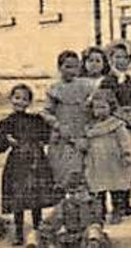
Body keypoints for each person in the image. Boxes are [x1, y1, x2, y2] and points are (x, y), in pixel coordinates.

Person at [0, 82, 57, 246]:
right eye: (16, 98)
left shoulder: (36, 120)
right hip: (17, 164)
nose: (20, 102)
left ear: (29, 102)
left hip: (35, 163)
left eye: (24, 99)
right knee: (18, 200)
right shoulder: (6, 122)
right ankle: (19, 233)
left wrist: (42, 140)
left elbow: (47, 136)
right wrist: (6, 140)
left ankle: (38, 231)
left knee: (36, 200)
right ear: (11, 99)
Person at [42, 50, 97, 187]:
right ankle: (65, 203)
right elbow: (46, 112)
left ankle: (87, 205)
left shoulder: (86, 86)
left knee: (84, 172)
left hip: (82, 133)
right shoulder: (55, 89)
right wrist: (57, 125)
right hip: (63, 135)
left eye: (75, 67)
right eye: (67, 67)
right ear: (59, 68)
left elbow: (94, 108)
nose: (72, 71)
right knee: (63, 172)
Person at [99, 42, 131, 217]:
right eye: (117, 57)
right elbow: (108, 103)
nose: (121, 61)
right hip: (115, 125)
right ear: (110, 60)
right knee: (115, 164)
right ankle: (116, 204)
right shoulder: (108, 81)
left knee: (129, 162)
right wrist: (123, 117)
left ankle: (126, 201)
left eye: (125, 57)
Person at [84, 90, 131, 224]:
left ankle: (117, 211)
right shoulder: (90, 127)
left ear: (111, 107)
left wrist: (127, 154)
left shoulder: (117, 124)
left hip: (114, 161)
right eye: (96, 108)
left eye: (103, 107)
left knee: (116, 188)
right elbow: (86, 142)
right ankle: (100, 213)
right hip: (97, 162)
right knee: (98, 189)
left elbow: (125, 141)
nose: (100, 111)